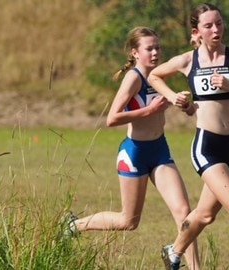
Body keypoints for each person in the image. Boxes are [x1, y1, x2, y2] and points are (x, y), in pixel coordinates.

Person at [66, 26, 200, 270]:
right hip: (134, 153)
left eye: (158, 47)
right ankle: (75, 225)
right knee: (129, 221)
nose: (155, 52)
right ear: (135, 52)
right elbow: (111, 118)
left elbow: (184, 109)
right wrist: (150, 110)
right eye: (149, 48)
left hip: (160, 151)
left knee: (184, 211)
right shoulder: (134, 78)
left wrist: (185, 104)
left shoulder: (161, 76)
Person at [148, 3, 229, 270]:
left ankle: (173, 251)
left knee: (204, 215)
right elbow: (155, 75)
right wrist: (173, 97)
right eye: (208, 25)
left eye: (219, 23)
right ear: (197, 31)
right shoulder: (187, 61)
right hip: (207, 147)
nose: (216, 29)